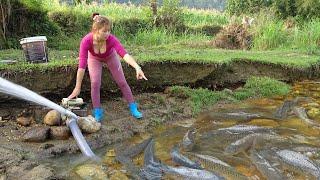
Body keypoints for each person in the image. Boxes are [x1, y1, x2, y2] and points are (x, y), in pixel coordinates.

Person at [68, 13, 147, 122]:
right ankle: (98, 111)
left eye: (109, 30)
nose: (107, 34)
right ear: (95, 30)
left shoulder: (111, 39)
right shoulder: (86, 41)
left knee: (122, 82)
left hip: (110, 56)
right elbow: (82, 65)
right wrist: (77, 87)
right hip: (94, 58)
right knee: (95, 83)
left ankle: (133, 107)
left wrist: (137, 67)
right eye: (104, 31)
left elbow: (124, 54)